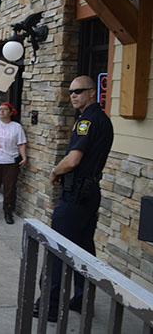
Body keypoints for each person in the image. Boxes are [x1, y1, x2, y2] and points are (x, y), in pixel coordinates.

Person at [33, 75, 113, 323]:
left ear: (92, 93)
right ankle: (81, 298)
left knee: (58, 251)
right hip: (89, 195)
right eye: (71, 92)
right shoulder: (104, 120)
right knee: (85, 250)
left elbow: (73, 160)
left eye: (79, 91)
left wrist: (55, 171)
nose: (74, 96)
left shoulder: (87, 121)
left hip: (76, 196)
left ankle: (50, 305)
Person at [0, 89, 27, 224]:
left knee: (9, 189)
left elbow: (21, 143)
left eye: (4, 109)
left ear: (11, 112)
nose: (1, 111)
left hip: (10, 162)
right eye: (0, 109)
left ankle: (8, 212)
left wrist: (24, 157)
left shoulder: (16, 127)